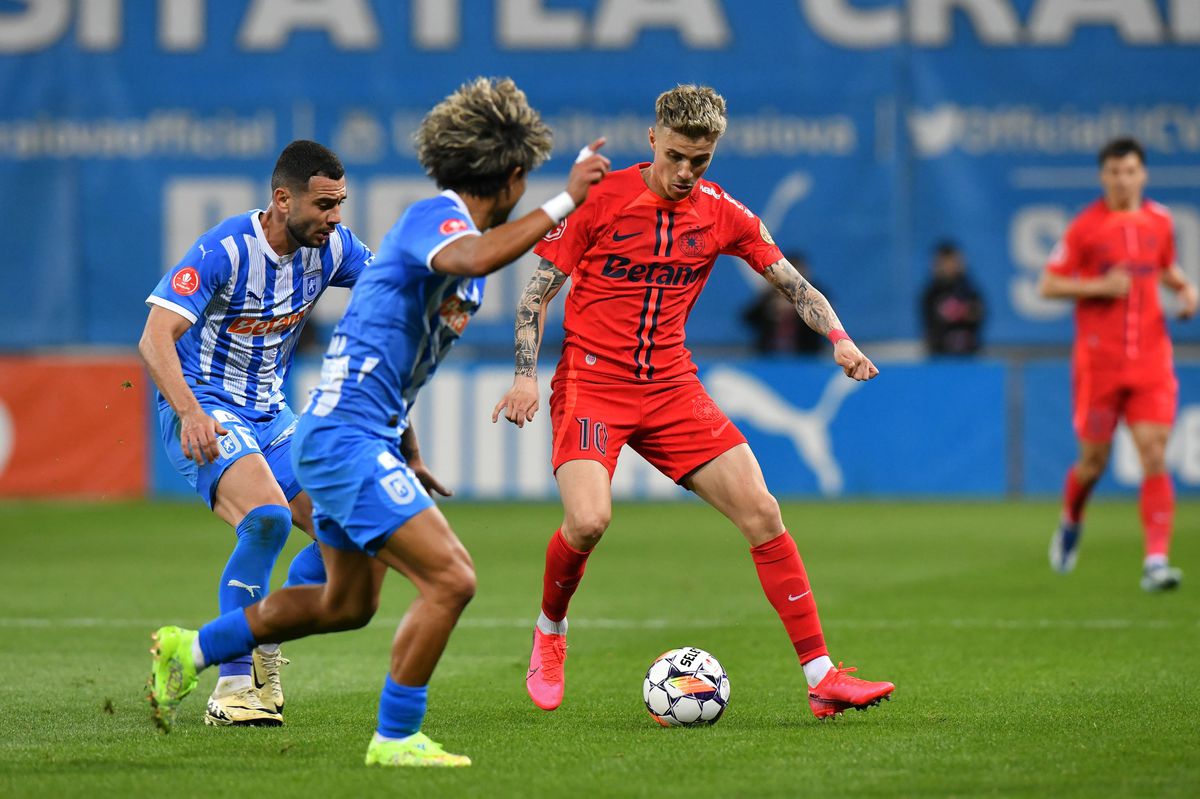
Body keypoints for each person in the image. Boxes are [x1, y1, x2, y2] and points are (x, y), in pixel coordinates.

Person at [147, 77, 611, 767]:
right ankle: (388, 733)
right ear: (512, 178)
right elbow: (472, 256)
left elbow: (384, 347)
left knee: (347, 603)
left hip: (334, 431)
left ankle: (194, 647)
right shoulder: (437, 221)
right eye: (324, 203)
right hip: (322, 434)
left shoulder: (368, 252)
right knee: (450, 578)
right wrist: (569, 197)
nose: (335, 217)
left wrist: (409, 445)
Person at [492, 84, 894, 720]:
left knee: (763, 512)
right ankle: (550, 632)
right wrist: (523, 376)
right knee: (589, 522)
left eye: (699, 161)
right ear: (653, 140)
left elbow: (793, 284)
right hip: (593, 383)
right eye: (676, 156)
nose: (684, 173)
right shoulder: (600, 199)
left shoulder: (722, 212)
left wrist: (841, 341)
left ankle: (822, 677)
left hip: (672, 387)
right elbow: (534, 295)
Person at [139, 140, 372, 726]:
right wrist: (191, 413)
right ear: (281, 198)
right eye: (324, 204)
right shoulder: (224, 249)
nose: (335, 217)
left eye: (340, 203)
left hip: (272, 415)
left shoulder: (333, 247)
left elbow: (389, 283)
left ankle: (265, 643)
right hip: (206, 410)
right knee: (267, 519)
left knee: (347, 527)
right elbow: (153, 337)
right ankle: (232, 686)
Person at [1040, 137, 1197, 591]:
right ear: (1103, 176)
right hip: (1099, 362)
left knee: (1153, 452)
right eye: (1114, 171)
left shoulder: (1161, 221)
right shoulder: (1086, 228)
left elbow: (1165, 265)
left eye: (1130, 171)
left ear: (1143, 174)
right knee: (1093, 463)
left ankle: (1156, 561)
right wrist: (1098, 287)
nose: (1122, 179)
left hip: (1150, 358)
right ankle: (1071, 518)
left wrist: (1184, 289)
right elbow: (1048, 285)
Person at [742, 250, 826, 354]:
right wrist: (769, 311)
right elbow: (748, 317)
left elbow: (827, 319)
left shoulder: (814, 294)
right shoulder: (771, 294)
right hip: (769, 356)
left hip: (806, 355)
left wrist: (798, 309)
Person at [919, 240, 985, 355]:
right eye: (946, 262)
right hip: (940, 356)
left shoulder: (969, 290)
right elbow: (929, 325)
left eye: (953, 261)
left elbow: (978, 316)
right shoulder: (931, 294)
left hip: (969, 355)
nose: (950, 266)